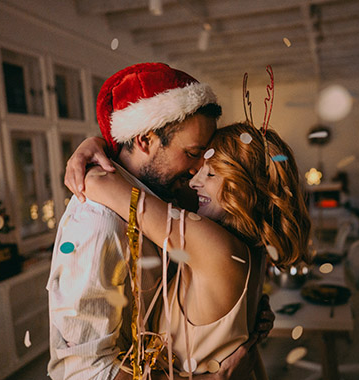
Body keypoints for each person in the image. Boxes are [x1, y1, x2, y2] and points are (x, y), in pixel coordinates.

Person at [47, 63, 273, 380]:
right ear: (144, 140)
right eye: (193, 152)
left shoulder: (167, 195)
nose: (197, 171)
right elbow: (83, 370)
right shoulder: (100, 224)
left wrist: (239, 317)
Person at [82, 121, 311, 377]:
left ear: (244, 187)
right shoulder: (251, 245)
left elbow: (97, 183)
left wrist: (90, 149)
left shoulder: (215, 246)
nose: (194, 183)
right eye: (199, 170)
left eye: (210, 174)